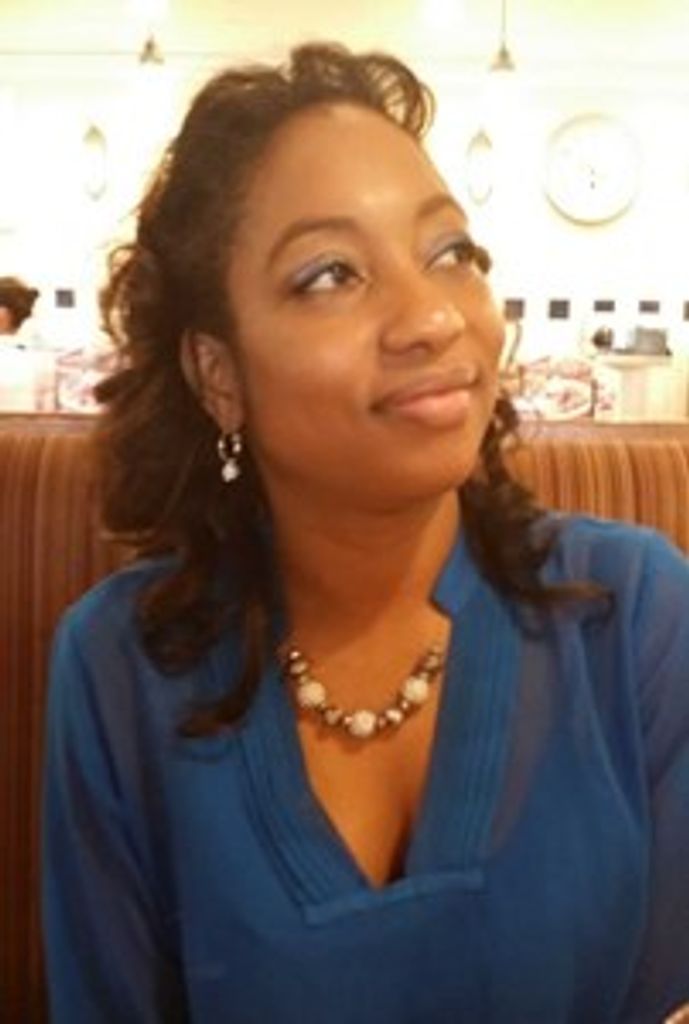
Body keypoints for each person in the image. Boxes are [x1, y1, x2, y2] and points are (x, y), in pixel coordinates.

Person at [42, 42, 689, 1023]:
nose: (431, 318)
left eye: (450, 253)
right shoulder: (120, 665)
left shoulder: (633, 614)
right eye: (330, 274)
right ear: (218, 373)